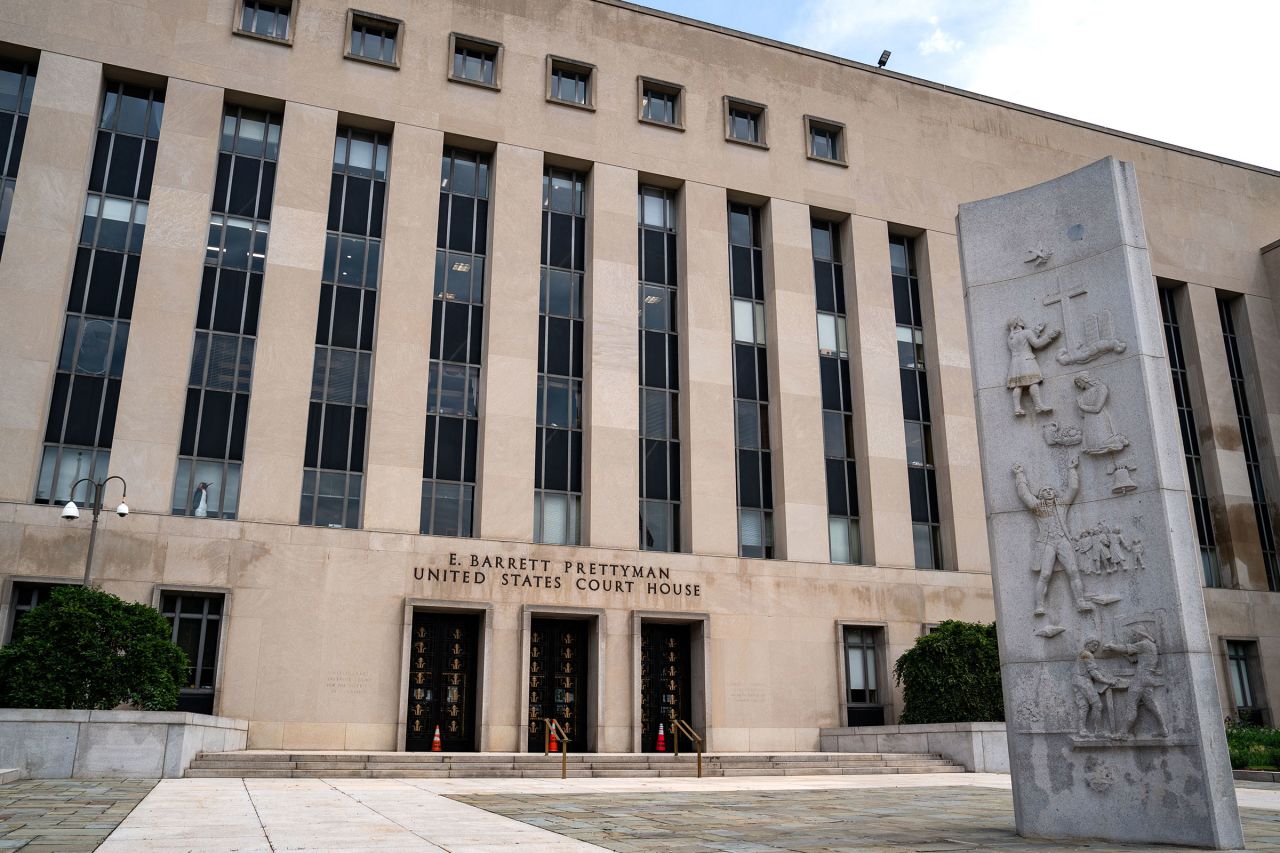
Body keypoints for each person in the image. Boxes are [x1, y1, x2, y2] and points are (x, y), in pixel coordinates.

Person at [1013, 459, 1091, 616]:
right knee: (1046, 574)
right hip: (1047, 542)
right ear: (1040, 495)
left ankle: (1080, 601)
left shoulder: (1062, 504)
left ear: (1055, 493)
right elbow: (1024, 494)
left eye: (1051, 489)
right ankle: (1039, 605)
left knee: (1073, 571)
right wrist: (1020, 475)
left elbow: (1073, 488)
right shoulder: (1037, 507)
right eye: (1045, 490)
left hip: (1062, 540)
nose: (1048, 491)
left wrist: (1071, 469)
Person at [1103, 628, 1169, 739]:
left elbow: (1125, 648)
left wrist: (1111, 646)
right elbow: (1133, 659)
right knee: (1151, 705)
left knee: (1131, 705)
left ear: (1140, 634)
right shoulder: (1151, 645)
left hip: (1140, 679)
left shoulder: (1143, 644)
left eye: (1134, 635)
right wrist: (1122, 653)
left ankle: (1123, 733)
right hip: (1148, 679)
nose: (1134, 638)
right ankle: (1164, 729)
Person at [1006, 317, 1059, 417]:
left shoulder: (1010, 337)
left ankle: (1017, 408)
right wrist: (1050, 336)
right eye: (1020, 320)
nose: (1023, 320)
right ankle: (1038, 405)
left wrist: (1036, 331)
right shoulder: (1026, 332)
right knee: (1033, 382)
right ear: (1017, 323)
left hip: (1015, 363)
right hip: (1027, 360)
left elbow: (1023, 340)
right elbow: (1037, 344)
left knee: (1018, 385)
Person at [1073, 638, 1118, 737]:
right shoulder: (1087, 654)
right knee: (1097, 705)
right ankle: (1098, 731)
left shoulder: (1082, 654)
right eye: (1094, 644)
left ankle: (1082, 730)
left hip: (1077, 681)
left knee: (1083, 707)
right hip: (1084, 681)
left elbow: (1093, 669)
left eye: (1097, 645)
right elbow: (1094, 673)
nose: (1096, 647)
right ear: (1088, 644)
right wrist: (1108, 681)